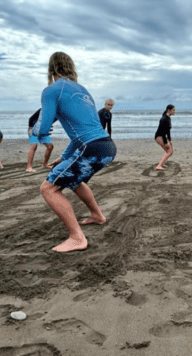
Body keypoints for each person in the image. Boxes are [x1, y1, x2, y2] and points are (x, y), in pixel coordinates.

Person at [36, 52, 117, 252]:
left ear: (52, 68)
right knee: (74, 180)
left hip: (91, 148)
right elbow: (83, 130)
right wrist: (64, 157)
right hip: (107, 146)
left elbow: (43, 128)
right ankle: (97, 216)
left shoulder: (51, 90)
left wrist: (34, 129)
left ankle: (77, 238)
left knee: (49, 188)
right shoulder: (83, 91)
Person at [154, 104, 176, 170]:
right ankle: (159, 165)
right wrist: (166, 143)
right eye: (173, 110)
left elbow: (168, 131)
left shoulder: (168, 118)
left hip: (162, 137)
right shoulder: (164, 119)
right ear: (169, 110)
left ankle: (161, 164)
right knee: (169, 151)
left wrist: (170, 141)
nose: (174, 111)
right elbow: (163, 132)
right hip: (159, 137)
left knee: (170, 151)